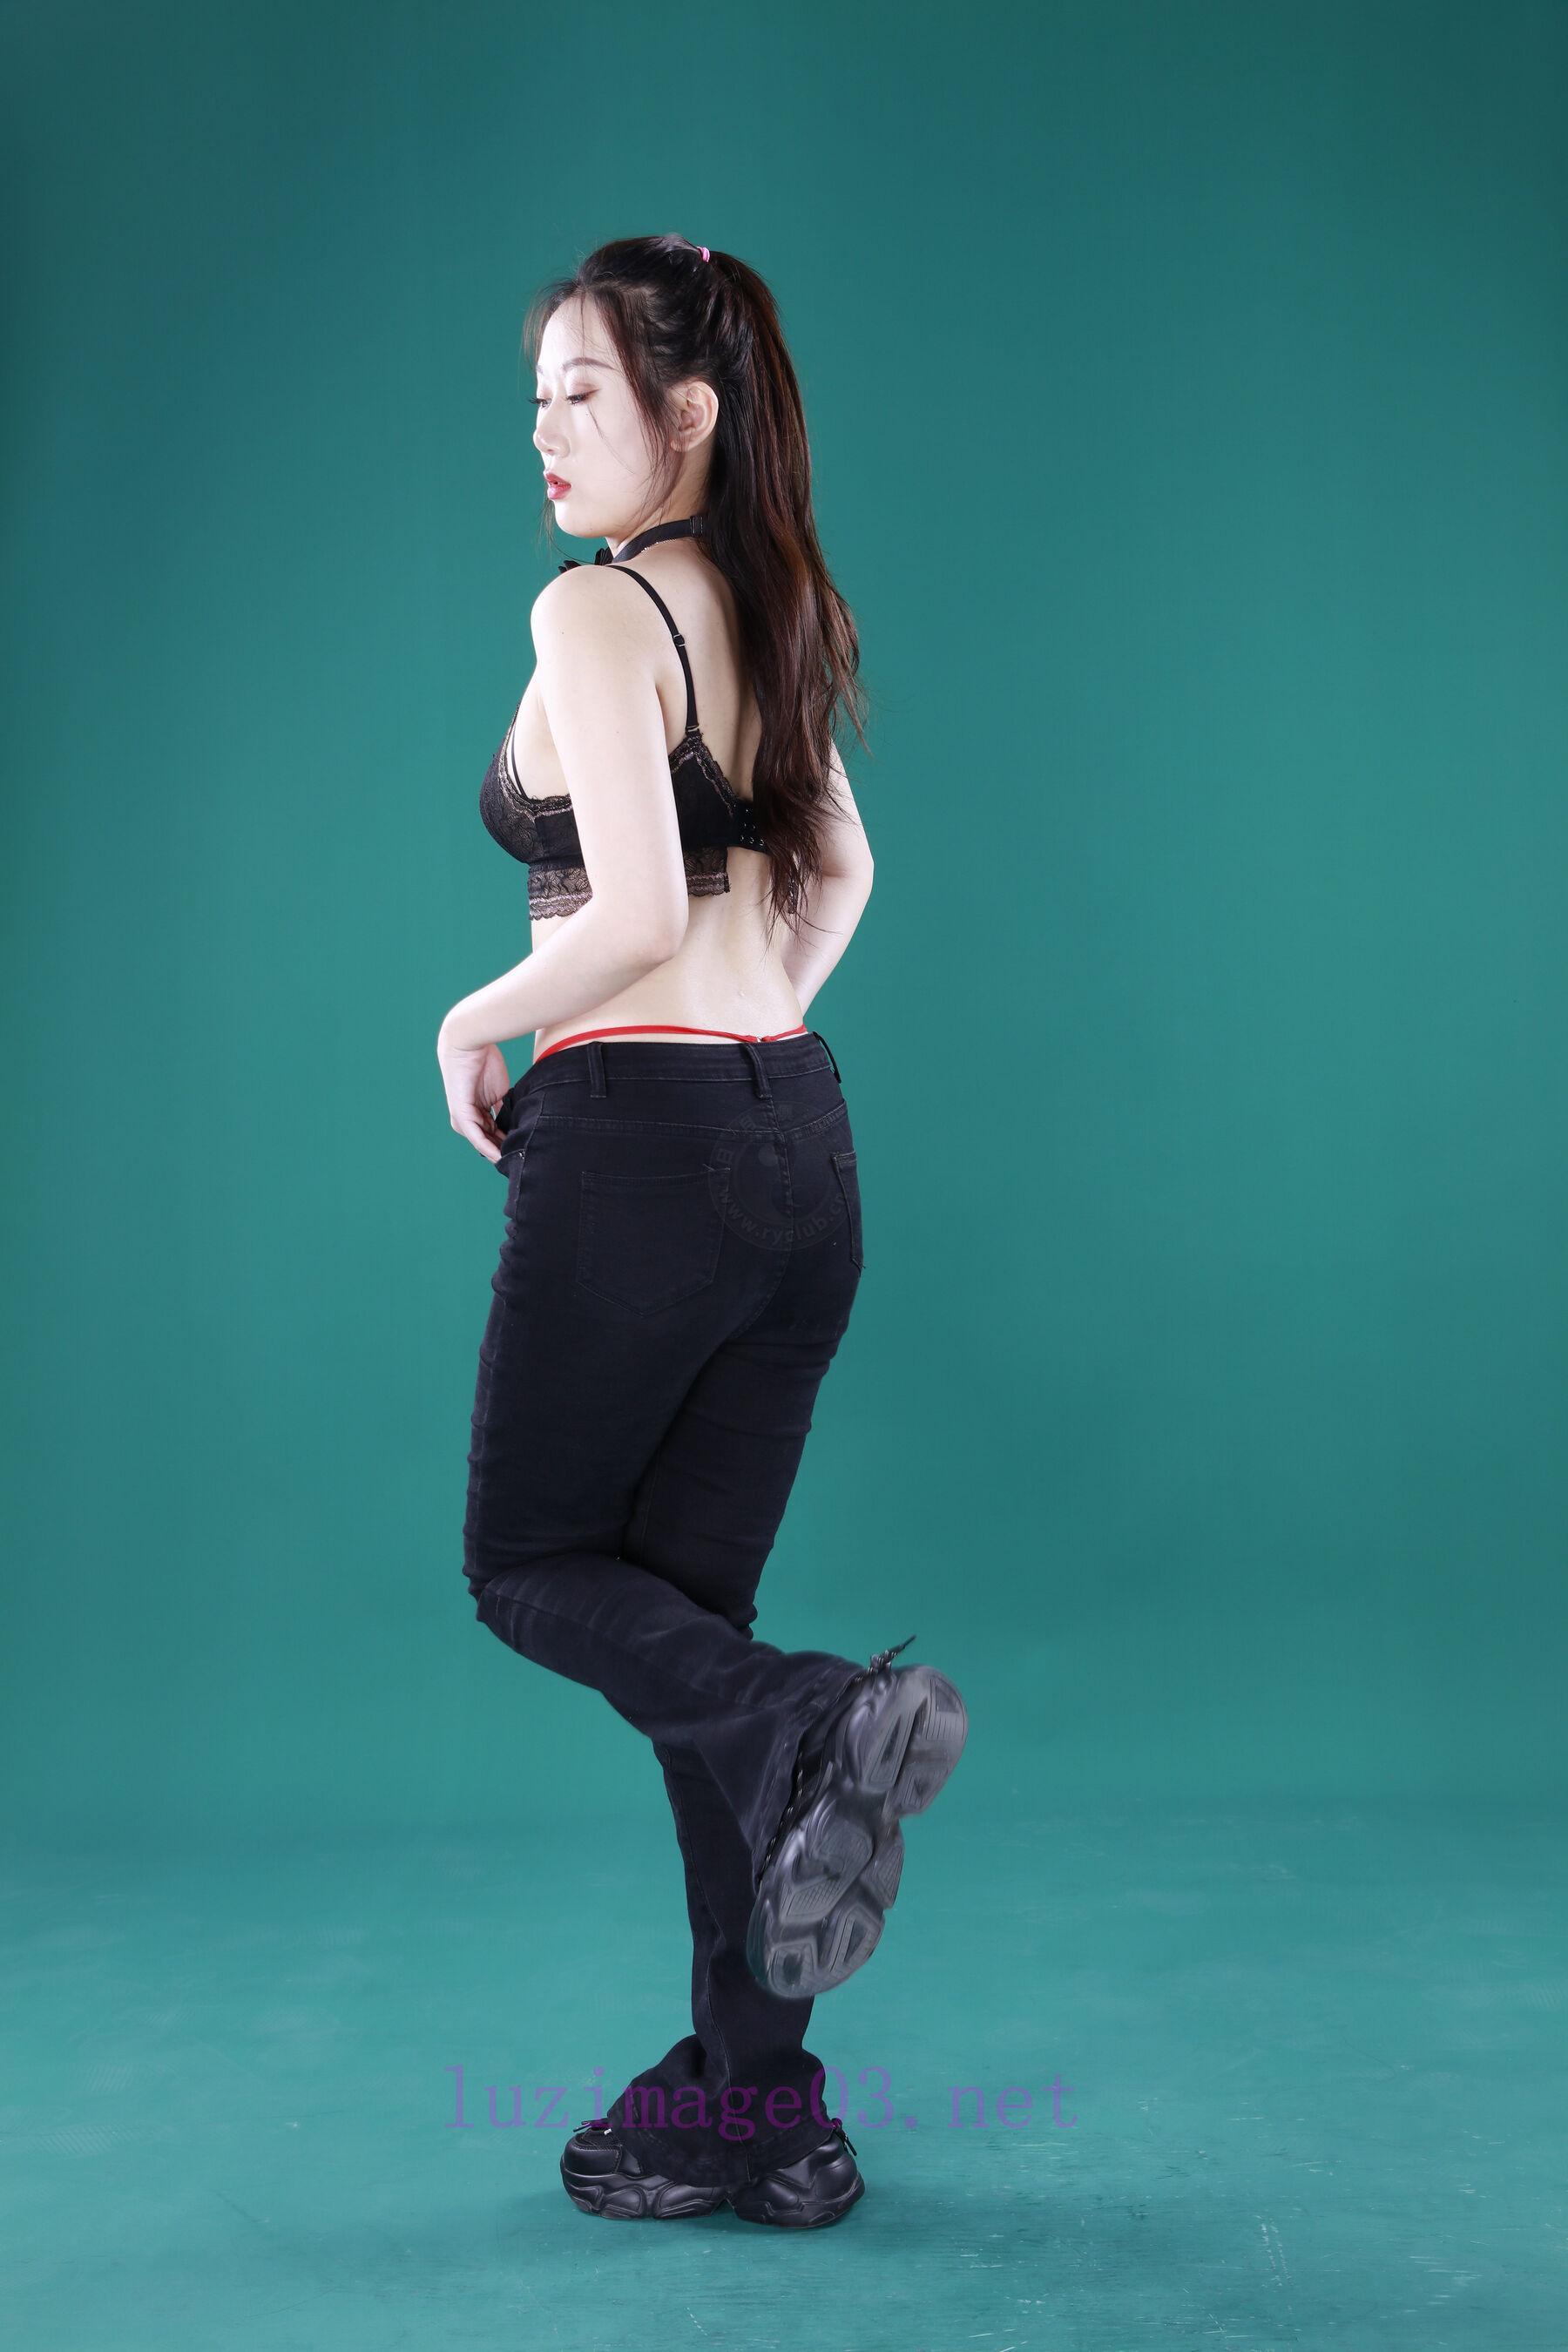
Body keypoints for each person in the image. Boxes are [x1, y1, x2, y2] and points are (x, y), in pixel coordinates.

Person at [436, 235, 968, 2230]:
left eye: (585, 391)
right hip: (795, 1149)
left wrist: (471, 1021)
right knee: (687, 1645)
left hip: (641, 1145)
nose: (549, 432)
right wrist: (754, 1050)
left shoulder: (596, 610)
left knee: (528, 1568)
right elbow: (844, 870)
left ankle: (818, 1721)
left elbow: (641, 911)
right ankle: (767, 2108)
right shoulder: (770, 600)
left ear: (690, 412)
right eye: (537, 399)